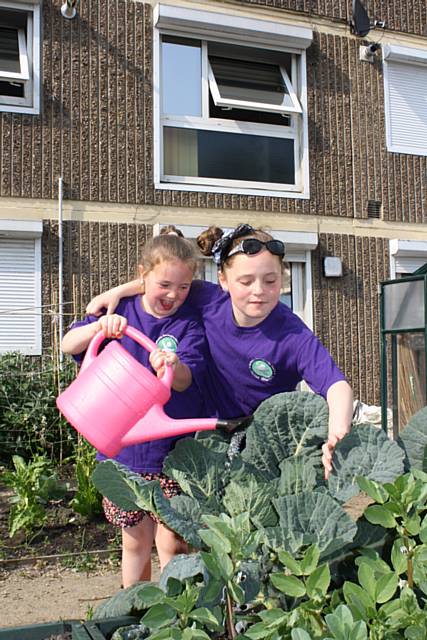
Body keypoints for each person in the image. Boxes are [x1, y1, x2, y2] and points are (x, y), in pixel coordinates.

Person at [85, 224, 354, 478]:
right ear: (223, 280)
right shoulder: (209, 299)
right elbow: (162, 280)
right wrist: (117, 293)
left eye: (270, 281)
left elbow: (336, 385)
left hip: (260, 443)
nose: (258, 291)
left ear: (281, 280)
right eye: (246, 282)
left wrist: (337, 433)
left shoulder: (293, 335)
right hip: (204, 436)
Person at [62, 234, 208, 587]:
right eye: (165, 284)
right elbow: (69, 345)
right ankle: (136, 612)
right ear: (141, 275)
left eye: (184, 287)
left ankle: (177, 614)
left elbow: (187, 380)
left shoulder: (187, 324)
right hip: (123, 453)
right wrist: (100, 326)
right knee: (135, 541)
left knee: (173, 540)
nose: (174, 294)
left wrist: (172, 365)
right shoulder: (119, 311)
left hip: (171, 454)